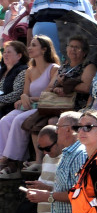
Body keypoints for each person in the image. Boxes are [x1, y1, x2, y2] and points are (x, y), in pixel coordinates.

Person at [0, 35, 59, 177]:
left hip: (44, 107)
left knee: (18, 121)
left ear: (44, 49)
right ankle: (3, 156)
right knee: (5, 120)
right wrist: (24, 97)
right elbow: (25, 93)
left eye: (34, 45)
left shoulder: (54, 68)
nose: (29, 48)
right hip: (29, 106)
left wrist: (29, 98)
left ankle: (9, 160)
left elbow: (48, 93)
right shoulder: (29, 70)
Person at [0, 40, 29, 117]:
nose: (5, 54)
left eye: (9, 52)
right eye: (4, 52)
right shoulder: (2, 71)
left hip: (11, 109)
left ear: (19, 56)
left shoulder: (23, 71)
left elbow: (17, 94)